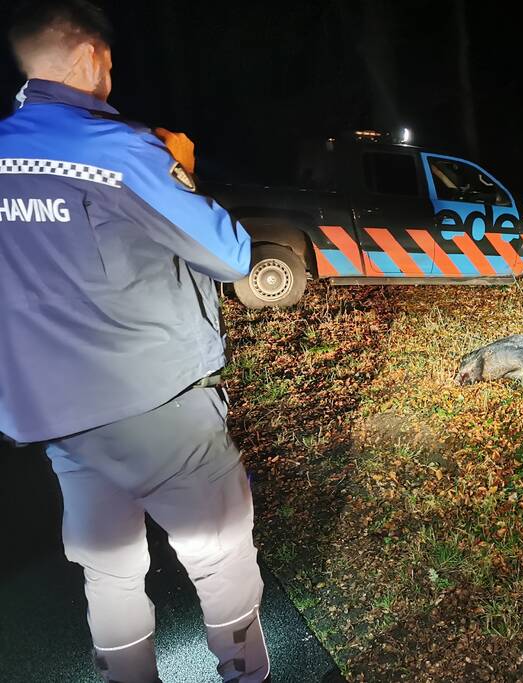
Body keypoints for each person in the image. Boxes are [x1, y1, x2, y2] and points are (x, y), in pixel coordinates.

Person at [0, 2, 270, 681]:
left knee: (108, 566)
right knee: (220, 551)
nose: (112, 75)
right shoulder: (117, 149)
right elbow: (229, 253)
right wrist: (177, 163)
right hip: (159, 403)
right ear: (89, 56)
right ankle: (246, 670)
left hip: (60, 415)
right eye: (110, 63)